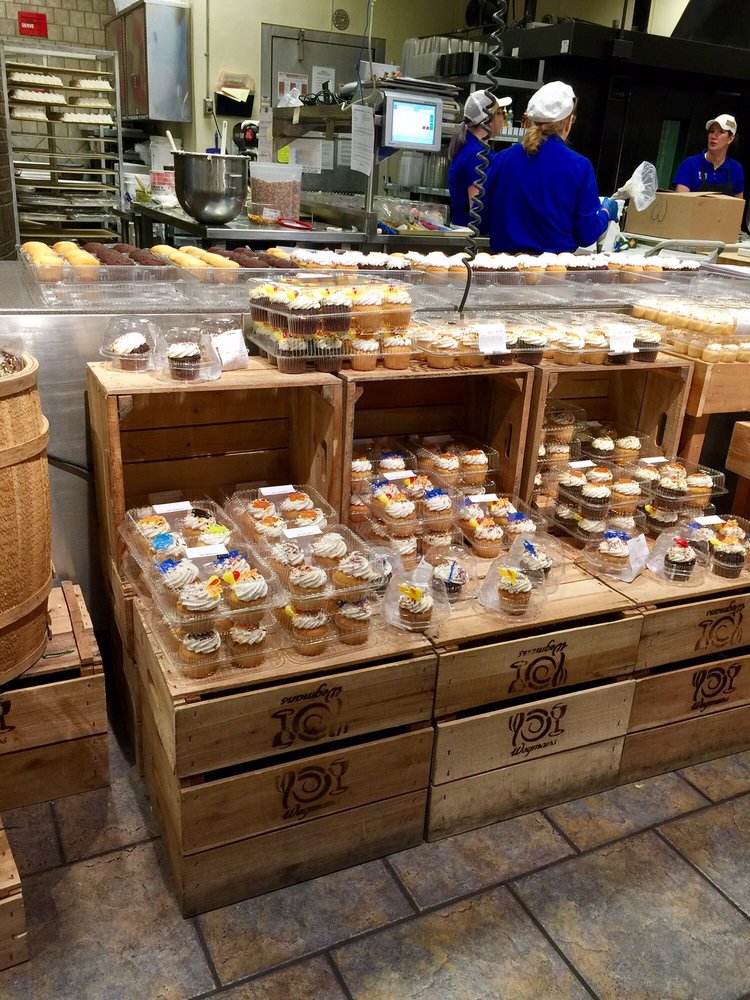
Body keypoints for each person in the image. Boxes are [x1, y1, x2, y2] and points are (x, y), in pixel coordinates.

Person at [481, 81, 617, 254]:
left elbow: (481, 222)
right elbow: (586, 234)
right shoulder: (579, 167)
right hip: (552, 268)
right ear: (568, 122)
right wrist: (605, 213)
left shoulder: (501, 159)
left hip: (503, 265)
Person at [447, 89, 511, 226]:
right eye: (500, 113)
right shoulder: (478, 155)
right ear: (487, 120)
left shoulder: (471, 147)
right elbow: (476, 210)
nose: (502, 119)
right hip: (471, 233)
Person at [673, 115, 744, 197]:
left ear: (730, 139)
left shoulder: (736, 169)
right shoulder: (690, 164)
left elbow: (738, 203)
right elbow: (681, 200)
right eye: (712, 131)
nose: (713, 136)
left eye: (721, 132)